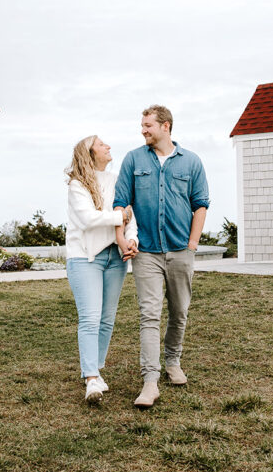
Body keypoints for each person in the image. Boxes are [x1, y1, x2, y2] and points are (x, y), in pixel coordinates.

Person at [114, 105, 209, 408]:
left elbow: (201, 205)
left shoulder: (191, 162)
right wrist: (121, 234)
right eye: (142, 125)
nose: (143, 130)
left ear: (165, 126)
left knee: (179, 312)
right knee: (149, 315)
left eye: (148, 125)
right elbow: (120, 201)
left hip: (181, 251)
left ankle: (173, 362)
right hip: (146, 253)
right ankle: (150, 381)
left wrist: (192, 245)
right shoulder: (133, 159)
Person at [65, 135, 138, 403]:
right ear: (90, 153)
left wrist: (132, 239)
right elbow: (87, 219)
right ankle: (91, 379)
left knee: (107, 319)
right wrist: (121, 217)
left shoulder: (118, 180)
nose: (108, 145)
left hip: (115, 258)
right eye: (101, 143)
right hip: (85, 258)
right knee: (90, 318)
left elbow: (131, 215)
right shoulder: (78, 184)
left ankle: (97, 370)